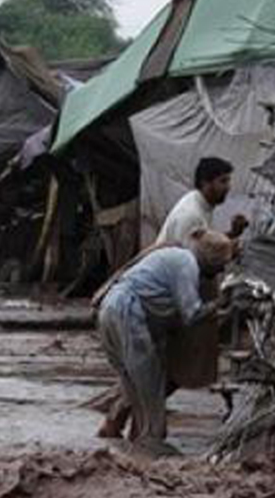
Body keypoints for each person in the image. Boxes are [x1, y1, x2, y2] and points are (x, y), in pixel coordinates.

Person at [95, 156, 248, 439]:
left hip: (140, 304)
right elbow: (200, 259)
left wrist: (230, 237)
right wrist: (220, 304)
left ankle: (127, 436)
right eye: (223, 181)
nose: (228, 187)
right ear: (206, 182)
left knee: (146, 376)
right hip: (151, 306)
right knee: (157, 377)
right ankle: (140, 441)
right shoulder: (191, 220)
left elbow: (207, 250)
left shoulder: (199, 210)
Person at [96, 231, 234, 456]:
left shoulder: (176, 257)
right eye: (220, 267)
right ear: (210, 261)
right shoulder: (187, 264)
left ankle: (134, 445)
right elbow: (191, 313)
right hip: (127, 312)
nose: (221, 272)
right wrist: (221, 303)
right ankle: (152, 444)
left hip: (110, 309)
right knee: (150, 386)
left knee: (133, 385)